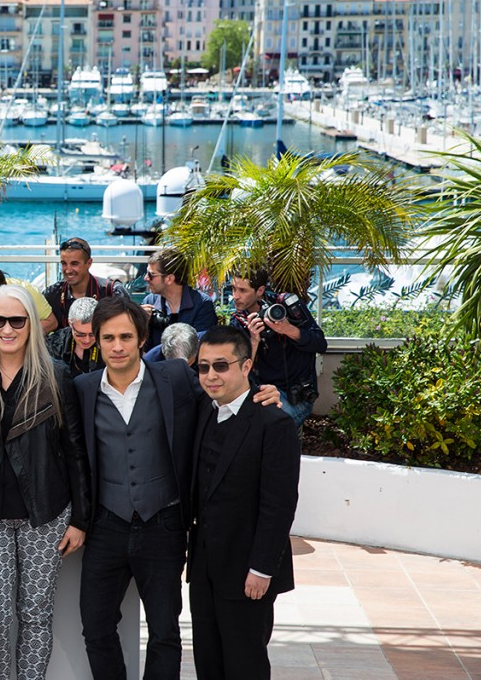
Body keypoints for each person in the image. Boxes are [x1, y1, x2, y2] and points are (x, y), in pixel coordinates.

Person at [74, 296, 279, 680]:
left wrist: (261, 394)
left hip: (162, 525)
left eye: (125, 336)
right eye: (108, 338)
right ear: (96, 342)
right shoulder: (83, 389)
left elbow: (223, 396)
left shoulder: (176, 379)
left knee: (165, 632)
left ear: (140, 339)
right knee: (96, 628)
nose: (117, 346)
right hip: (106, 527)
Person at [0, 285, 90, 680]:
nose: (7, 329)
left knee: (36, 614)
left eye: (17, 320)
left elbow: (75, 450)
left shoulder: (56, 375)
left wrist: (81, 519)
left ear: (31, 325)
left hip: (47, 511)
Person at [188, 326, 301, 680]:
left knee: (245, 664)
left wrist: (262, 569)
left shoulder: (274, 423)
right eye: (204, 366)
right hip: (205, 568)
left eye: (221, 366)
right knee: (208, 661)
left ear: (246, 366)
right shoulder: (204, 410)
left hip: (248, 571)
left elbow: (279, 504)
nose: (211, 375)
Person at [229, 268, 327, 428]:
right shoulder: (239, 320)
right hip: (261, 392)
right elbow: (238, 372)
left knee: (266, 429)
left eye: (242, 290)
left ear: (260, 290)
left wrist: (287, 329)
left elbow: (320, 344)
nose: (235, 296)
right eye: (233, 289)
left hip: (294, 396)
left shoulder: (286, 306)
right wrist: (254, 340)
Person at [42, 237, 130, 329]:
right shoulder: (52, 294)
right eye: (64, 263)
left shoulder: (112, 292)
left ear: (89, 263)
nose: (68, 270)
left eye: (74, 264)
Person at [140, 248, 217, 351]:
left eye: (151, 275)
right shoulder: (150, 302)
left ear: (169, 279)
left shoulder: (202, 304)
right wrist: (142, 325)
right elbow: (144, 349)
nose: (146, 278)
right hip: (157, 365)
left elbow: (200, 348)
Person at [45, 296, 105, 377]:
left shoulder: (108, 343)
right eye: (80, 334)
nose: (87, 340)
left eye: (92, 334)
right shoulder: (54, 344)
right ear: (70, 323)